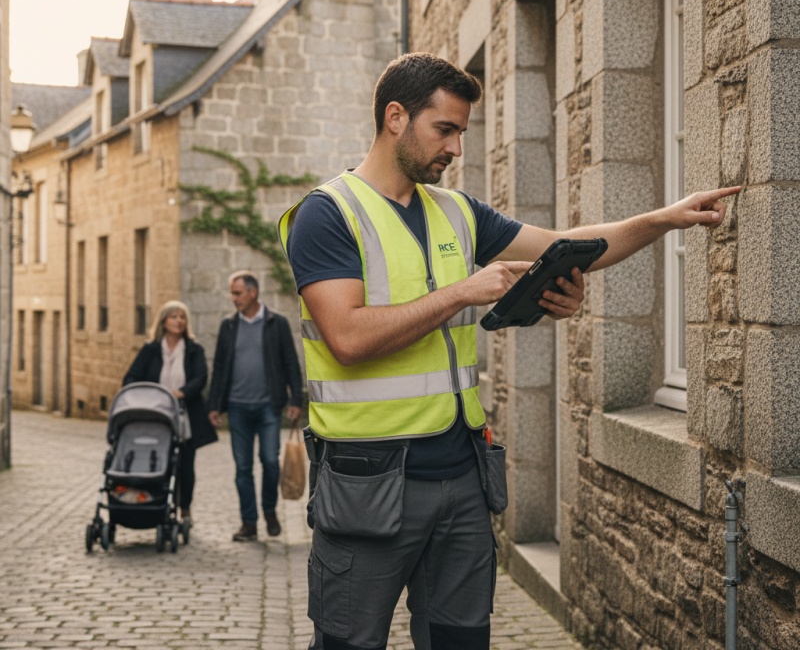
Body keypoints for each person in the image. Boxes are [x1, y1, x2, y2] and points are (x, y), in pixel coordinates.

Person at [279, 52, 741, 650]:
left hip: (461, 477)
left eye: (461, 133)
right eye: (444, 129)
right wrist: (463, 291)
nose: (456, 148)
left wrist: (665, 219)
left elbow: (563, 244)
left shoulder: (456, 211)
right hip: (367, 484)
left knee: (462, 641)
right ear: (395, 117)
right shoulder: (327, 214)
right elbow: (347, 338)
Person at [207, 271, 303, 542]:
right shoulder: (228, 326)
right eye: (232, 293)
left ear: (253, 292)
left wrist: (296, 400)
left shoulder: (276, 323)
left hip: (268, 407)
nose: (233, 298)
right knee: (243, 468)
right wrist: (214, 405)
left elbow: (291, 362)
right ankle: (249, 523)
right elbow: (220, 368)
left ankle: (269, 511)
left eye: (237, 293)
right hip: (237, 407)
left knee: (270, 462)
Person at [122, 300, 217, 527]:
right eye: (174, 317)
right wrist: (146, 394)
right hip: (156, 415)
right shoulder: (151, 349)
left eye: (182, 317)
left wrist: (181, 392)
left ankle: (185, 508)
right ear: (164, 322)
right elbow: (131, 377)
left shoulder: (194, 349)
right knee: (158, 461)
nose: (179, 321)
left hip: (185, 416)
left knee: (186, 465)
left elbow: (200, 378)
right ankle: (157, 503)